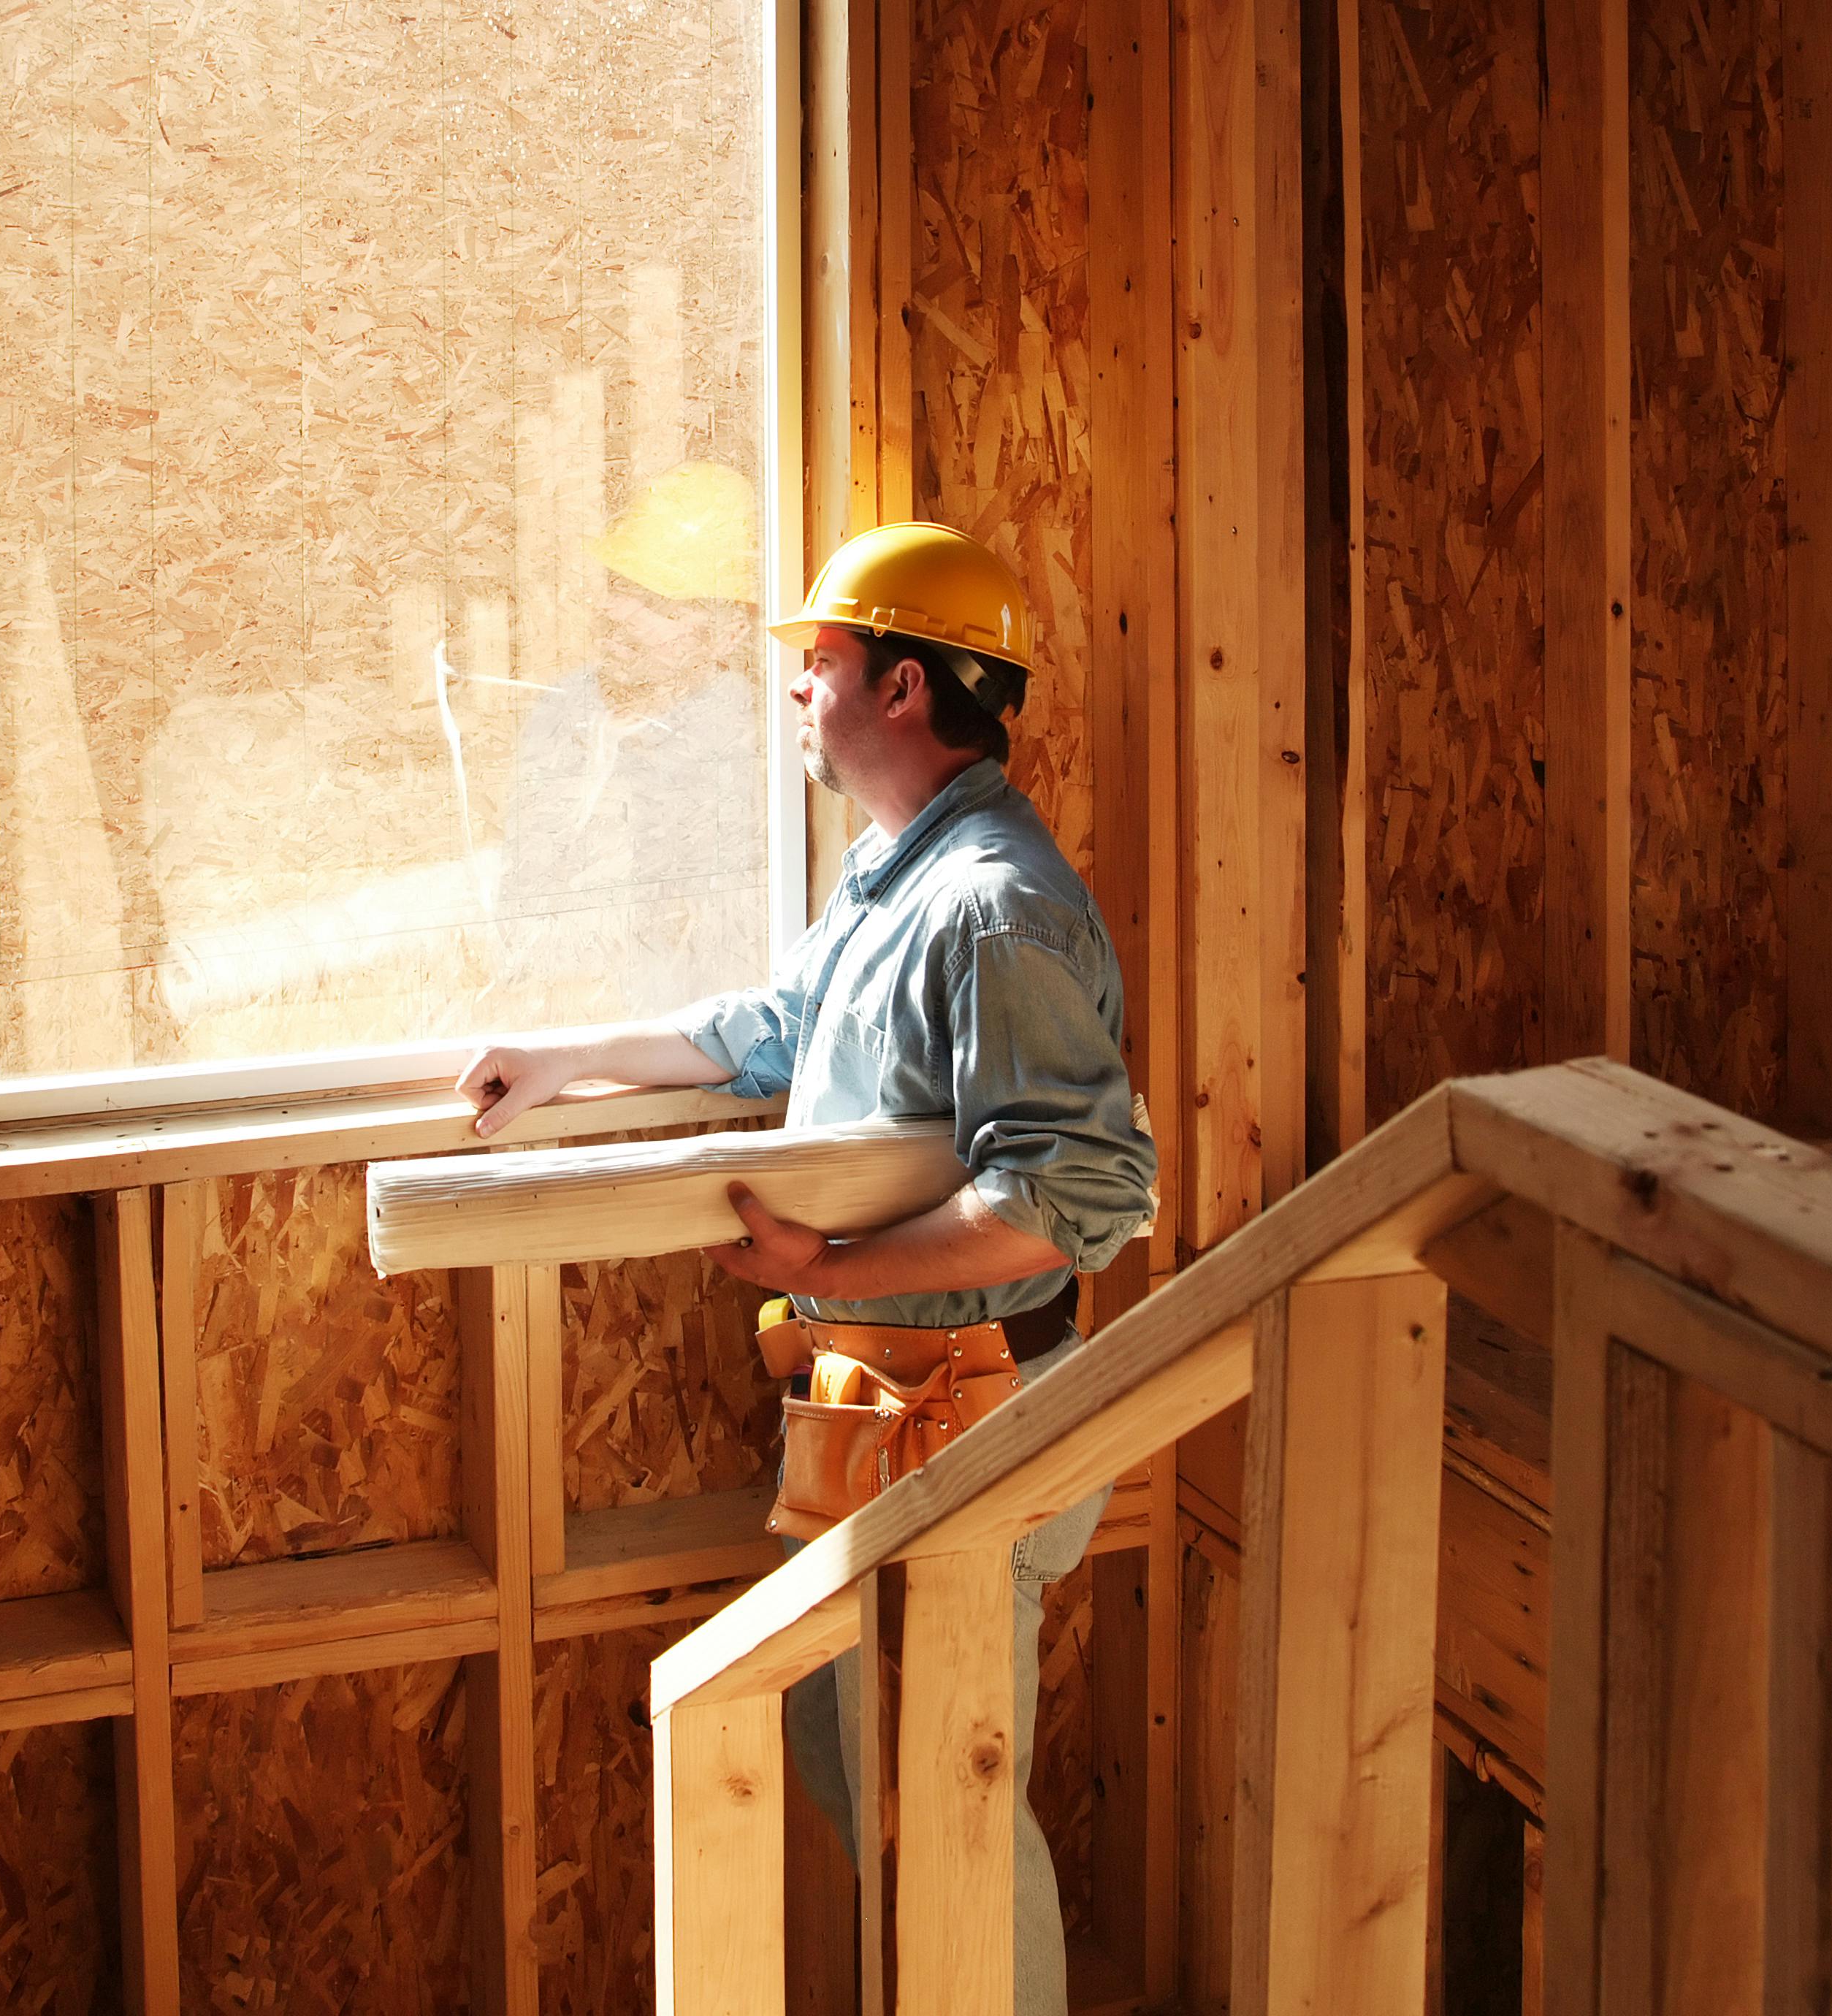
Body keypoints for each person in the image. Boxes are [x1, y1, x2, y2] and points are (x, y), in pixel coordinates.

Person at [451, 519, 1156, 2016]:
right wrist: (569, 1061)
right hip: (881, 1393)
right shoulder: (899, 870)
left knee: (955, 1787)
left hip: (975, 1403)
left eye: (816, 667)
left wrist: (833, 1255)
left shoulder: (995, 906)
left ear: (901, 691)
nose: (794, 697)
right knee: (864, 1770)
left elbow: (1068, 1201)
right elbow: (777, 1024)